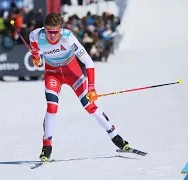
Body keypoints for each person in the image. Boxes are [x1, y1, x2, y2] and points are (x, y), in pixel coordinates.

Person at [29, 13, 131, 162]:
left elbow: (89, 63)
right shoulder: (38, 34)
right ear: (44, 29)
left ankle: (117, 139)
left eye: (55, 32)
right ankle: (47, 147)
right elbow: (32, 40)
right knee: (52, 108)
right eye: (49, 32)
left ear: (60, 30)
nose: (52, 36)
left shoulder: (68, 38)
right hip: (53, 74)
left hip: (73, 74)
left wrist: (91, 88)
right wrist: (35, 55)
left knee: (90, 106)